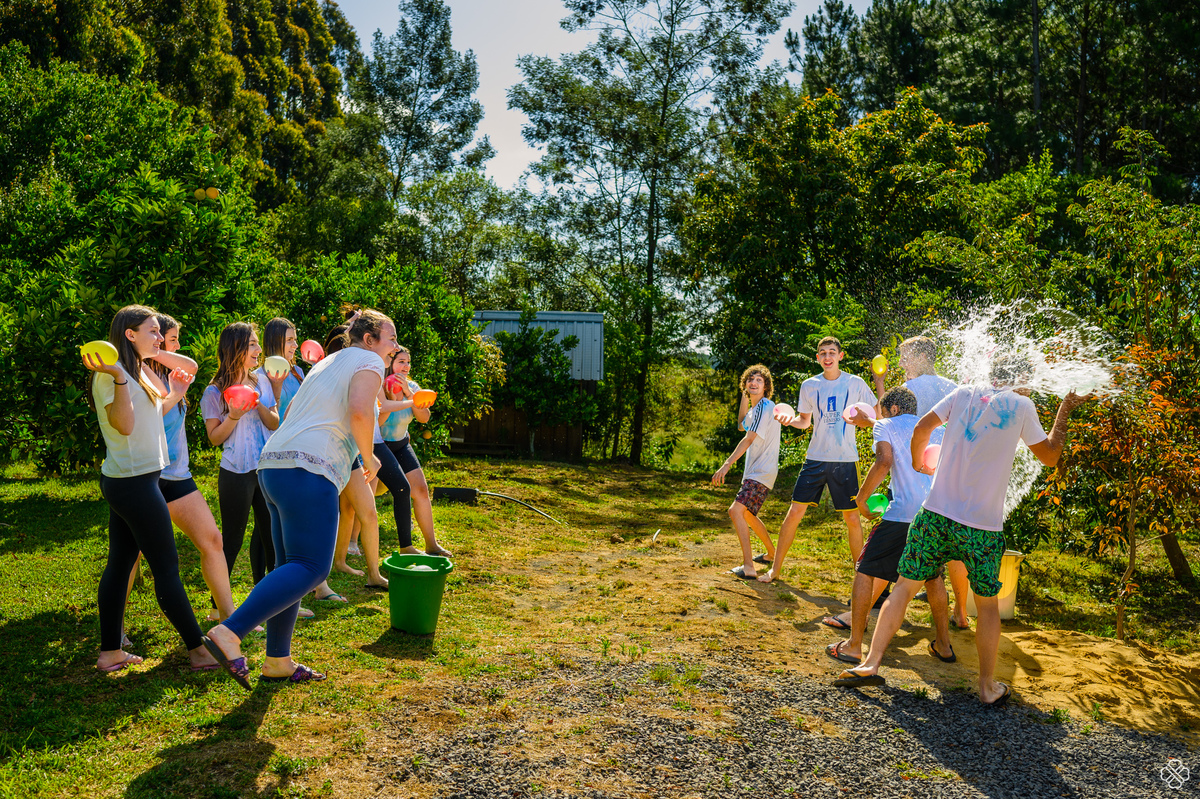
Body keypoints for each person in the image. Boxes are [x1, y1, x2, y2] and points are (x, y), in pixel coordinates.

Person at [834, 357, 1093, 706]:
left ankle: (869, 663)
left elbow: (923, 427)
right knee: (986, 606)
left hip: (937, 513)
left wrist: (915, 461)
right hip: (982, 527)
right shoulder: (1020, 404)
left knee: (903, 590)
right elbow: (1049, 456)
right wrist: (1064, 410)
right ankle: (987, 687)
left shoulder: (964, 393)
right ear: (1021, 380)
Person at [201, 309, 399, 687]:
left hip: (273, 464)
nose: (393, 347)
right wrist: (368, 454)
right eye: (390, 338)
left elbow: (290, 411)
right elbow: (359, 411)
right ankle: (230, 631)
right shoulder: (370, 362)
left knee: (289, 567)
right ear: (370, 339)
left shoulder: (328, 363)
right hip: (309, 468)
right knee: (312, 567)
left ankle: (277, 661)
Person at [82, 305, 217, 672]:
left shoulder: (138, 367)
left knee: (120, 563)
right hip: (133, 484)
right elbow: (125, 426)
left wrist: (172, 389)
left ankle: (110, 652)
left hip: (138, 479)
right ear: (130, 334)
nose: (160, 338)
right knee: (167, 569)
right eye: (153, 332)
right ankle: (198, 650)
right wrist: (118, 375)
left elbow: (153, 413)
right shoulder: (112, 375)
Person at [834, 335, 962, 628]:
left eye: (905, 356)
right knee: (936, 567)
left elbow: (886, 420)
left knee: (877, 559)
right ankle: (960, 616)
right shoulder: (953, 388)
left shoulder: (908, 390)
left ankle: (858, 620)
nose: (902, 363)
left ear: (919, 357)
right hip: (937, 490)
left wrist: (877, 390)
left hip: (905, 485)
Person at [823, 387, 953, 666]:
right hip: (931, 515)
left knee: (864, 570)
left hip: (900, 513)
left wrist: (861, 498)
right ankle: (943, 644)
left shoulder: (885, 424)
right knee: (932, 578)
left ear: (892, 409)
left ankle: (854, 646)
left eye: (883, 411)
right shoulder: (936, 430)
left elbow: (884, 460)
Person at [142, 313, 237, 622]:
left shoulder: (174, 373)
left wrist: (155, 350)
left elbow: (192, 367)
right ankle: (116, 633)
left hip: (178, 475)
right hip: (147, 477)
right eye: (170, 339)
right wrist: (145, 351)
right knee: (129, 558)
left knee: (212, 540)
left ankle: (228, 617)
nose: (175, 346)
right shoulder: (138, 370)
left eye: (167, 340)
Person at [761, 337, 878, 584]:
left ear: (840, 356)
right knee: (794, 512)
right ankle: (775, 570)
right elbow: (804, 421)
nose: (827, 357)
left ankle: (861, 579)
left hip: (845, 460)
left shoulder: (855, 383)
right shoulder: (809, 385)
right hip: (815, 459)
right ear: (817, 358)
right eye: (823, 353)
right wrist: (787, 420)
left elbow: (877, 413)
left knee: (852, 518)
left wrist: (865, 419)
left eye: (832, 352)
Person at [202, 322, 280, 586]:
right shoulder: (214, 392)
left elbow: (274, 422)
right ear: (235, 348)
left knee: (273, 535)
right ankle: (218, 606)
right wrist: (234, 415)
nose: (259, 349)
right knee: (232, 540)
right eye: (252, 344)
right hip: (236, 472)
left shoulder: (261, 381)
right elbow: (214, 438)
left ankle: (276, 599)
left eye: (258, 343)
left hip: (265, 469)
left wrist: (258, 404)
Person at [376, 347, 453, 558]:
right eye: (401, 361)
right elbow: (378, 420)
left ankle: (432, 545)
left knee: (420, 489)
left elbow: (424, 418)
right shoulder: (379, 385)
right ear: (390, 363)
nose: (406, 366)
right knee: (369, 495)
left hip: (401, 444)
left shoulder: (413, 387)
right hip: (379, 445)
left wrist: (410, 394)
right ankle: (352, 543)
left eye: (408, 362)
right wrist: (392, 398)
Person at [711, 364, 780, 580]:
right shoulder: (756, 409)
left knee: (735, 511)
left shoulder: (764, 407)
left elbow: (748, 438)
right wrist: (745, 395)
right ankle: (771, 554)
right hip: (761, 472)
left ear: (766, 386)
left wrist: (727, 463)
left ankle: (749, 566)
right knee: (748, 514)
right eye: (750, 379)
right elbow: (742, 424)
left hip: (760, 472)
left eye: (759, 380)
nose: (754, 382)